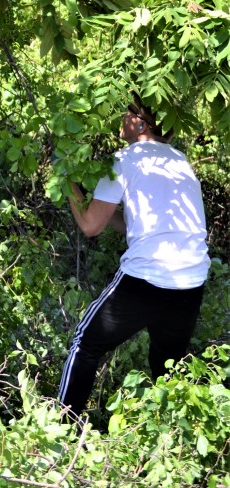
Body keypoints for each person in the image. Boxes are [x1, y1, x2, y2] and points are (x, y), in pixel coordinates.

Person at [58, 100, 210, 416]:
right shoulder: (180, 161)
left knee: (86, 345)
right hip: (191, 281)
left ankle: (61, 428)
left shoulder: (125, 160)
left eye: (127, 112)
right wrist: (100, 207)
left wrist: (65, 179)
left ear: (141, 124)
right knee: (169, 371)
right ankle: (172, 452)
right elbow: (136, 222)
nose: (121, 117)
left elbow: (89, 226)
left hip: (145, 279)